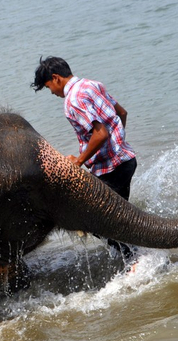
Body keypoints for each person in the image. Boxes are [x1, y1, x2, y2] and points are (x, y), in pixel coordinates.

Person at [32, 56, 138, 264]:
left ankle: (135, 258)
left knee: (91, 221)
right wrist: (116, 145)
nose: (52, 93)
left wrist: (78, 161)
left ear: (56, 78)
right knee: (119, 220)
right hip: (126, 160)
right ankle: (131, 254)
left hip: (110, 170)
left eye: (49, 87)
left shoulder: (72, 100)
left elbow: (100, 134)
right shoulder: (93, 84)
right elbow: (121, 113)